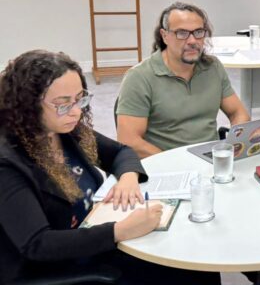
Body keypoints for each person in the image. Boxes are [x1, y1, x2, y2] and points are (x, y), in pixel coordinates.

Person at [0, 50, 219, 284]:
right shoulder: (8, 164)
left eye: (80, 99)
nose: (76, 112)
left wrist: (128, 178)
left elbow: (121, 152)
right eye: (63, 104)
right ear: (28, 105)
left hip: (98, 239)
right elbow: (38, 244)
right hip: (64, 267)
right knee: (183, 269)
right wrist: (120, 230)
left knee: (193, 258)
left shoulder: (64, 129)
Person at [116, 1, 250, 158]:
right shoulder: (139, 77)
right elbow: (129, 141)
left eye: (198, 32)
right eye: (182, 33)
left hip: (210, 160)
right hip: (166, 163)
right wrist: (178, 163)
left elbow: (238, 112)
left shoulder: (213, 67)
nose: (192, 41)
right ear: (165, 36)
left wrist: (234, 145)